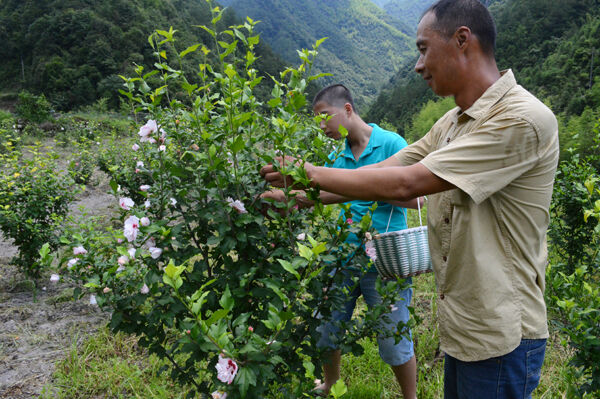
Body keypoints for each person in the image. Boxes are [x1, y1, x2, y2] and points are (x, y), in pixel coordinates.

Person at [260, 1, 559, 398]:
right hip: (467, 325)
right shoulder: (452, 122)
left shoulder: (521, 119)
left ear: (462, 40)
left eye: (422, 49)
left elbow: (407, 184)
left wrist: (308, 173)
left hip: (502, 334)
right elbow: (381, 172)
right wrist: (306, 195)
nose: (418, 66)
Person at [262, 84, 419, 398]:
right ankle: (330, 384)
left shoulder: (392, 144)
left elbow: (417, 200)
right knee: (328, 326)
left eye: (325, 116)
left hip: (385, 260)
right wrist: (289, 198)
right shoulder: (337, 156)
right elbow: (326, 195)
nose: (322, 127)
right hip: (341, 257)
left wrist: (357, 187)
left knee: (393, 337)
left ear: (347, 109)